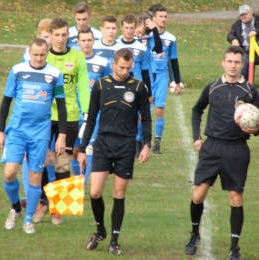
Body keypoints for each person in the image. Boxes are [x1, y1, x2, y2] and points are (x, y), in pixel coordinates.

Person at [184, 46, 259, 260]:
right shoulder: (212, 87)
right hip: (212, 147)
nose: (233, 65)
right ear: (223, 63)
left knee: (235, 198)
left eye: (237, 62)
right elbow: (197, 109)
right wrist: (197, 137)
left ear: (242, 64)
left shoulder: (250, 91)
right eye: (230, 61)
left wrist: (255, 129)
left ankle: (234, 247)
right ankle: (194, 234)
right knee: (198, 195)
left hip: (237, 149)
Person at [77, 48, 152, 255]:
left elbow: (146, 118)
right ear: (113, 65)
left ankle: (114, 241)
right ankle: (100, 230)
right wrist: (82, 149)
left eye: (128, 68)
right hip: (103, 143)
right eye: (121, 67)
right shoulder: (101, 85)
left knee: (119, 194)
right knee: (94, 192)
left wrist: (146, 144)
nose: (125, 71)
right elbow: (91, 118)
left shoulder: (138, 87)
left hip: (126, 145)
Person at [0, 38, 66, 234]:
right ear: (29, 52)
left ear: (47, 54)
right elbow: (6, 102)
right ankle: (16, 207)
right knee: (9, 173)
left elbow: (61, 105)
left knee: (36, 175)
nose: (38, 58)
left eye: (42, 55)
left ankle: (28, 220)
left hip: (40, 133)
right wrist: (0, 131)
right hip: (18, 131)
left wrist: (61, 134)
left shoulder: (54, 74)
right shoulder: (17, 71)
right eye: (35, 55)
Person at [33, 18, 90, 225]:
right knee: (42, 159)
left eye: (64, 35)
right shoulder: (43, 56)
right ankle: (43, 201)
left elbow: (83, 87)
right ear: (51, 35)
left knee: (62, 162)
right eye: (56, 35)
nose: (60, 39)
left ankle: (57, 208)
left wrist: (87, 113)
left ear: (69, 35)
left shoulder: (77, 57)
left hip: (70, 116)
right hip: (44, 116)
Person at [70, 27, 111, 183]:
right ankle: (77, 179)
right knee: (74, 151)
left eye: (89, 40)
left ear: (93, 40)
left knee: (88, 148)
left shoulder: (102, 63)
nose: (86, 43)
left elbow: (108, 87)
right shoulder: (71, 61)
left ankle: (82, 185)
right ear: (78, 42)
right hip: (73, 111)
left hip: (94, 113)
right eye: (83, 40)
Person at [20, 18, 52, 202]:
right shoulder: (29, 59)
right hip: (35, 116)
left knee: (58, 159)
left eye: (51, 37)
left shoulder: (67, 57)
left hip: (61, 116)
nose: (48, 40)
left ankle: (56, 204)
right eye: (45, 37)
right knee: (30, 156)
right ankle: (31, 197)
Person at [117, 14, 155, 158]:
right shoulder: (115, 45)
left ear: (135, 28)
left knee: (138, 117)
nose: (128, 31)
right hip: (119, 86)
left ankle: (137, 142)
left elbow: (146, 72)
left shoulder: (141, 48)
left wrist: (149, 92)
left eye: (131, 28)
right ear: (122, 27)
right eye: (126, 28)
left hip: (136, 87)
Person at [150, 5, 182, 154]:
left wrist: (177, 82)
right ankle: (140, 142)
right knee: (141, 112)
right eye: (160, 16)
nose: (163, 19)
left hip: (162, 76)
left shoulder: (171, 38)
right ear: (154, 18)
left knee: (159, 111)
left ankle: (157, 143)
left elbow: (173, 61)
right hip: (148, 75)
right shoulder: (147, 36)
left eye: (165, 16)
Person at [227, 4, 259, 80]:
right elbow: (230, 34)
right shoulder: (237, 24)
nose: (244, 16)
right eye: (242, 15)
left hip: (257, 50)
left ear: (251, 12)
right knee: (243, 62)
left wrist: (256, 32)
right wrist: (233, 39)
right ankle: (244, 84)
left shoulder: (257, 20)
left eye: (246, 13)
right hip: (246, 51)